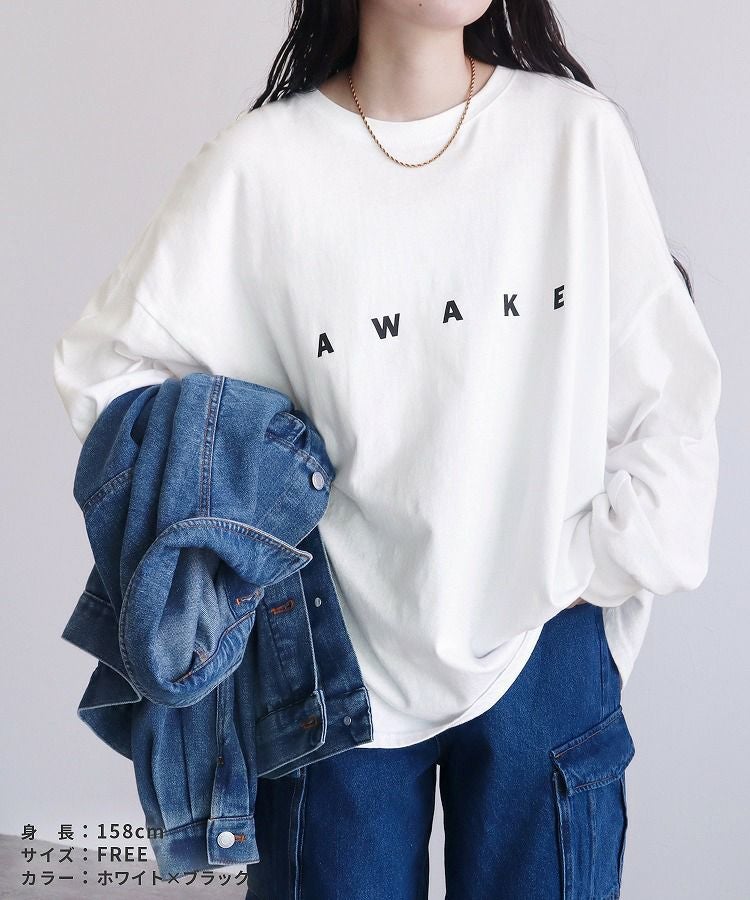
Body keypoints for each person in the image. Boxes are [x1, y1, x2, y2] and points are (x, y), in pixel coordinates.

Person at [52, 1, 722, 897]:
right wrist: (269, 491)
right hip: (334, 671)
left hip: (545, 644)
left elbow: (670, 403)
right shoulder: (262, 169)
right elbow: (104, 371)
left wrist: (591, 560)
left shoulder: (573, 139)